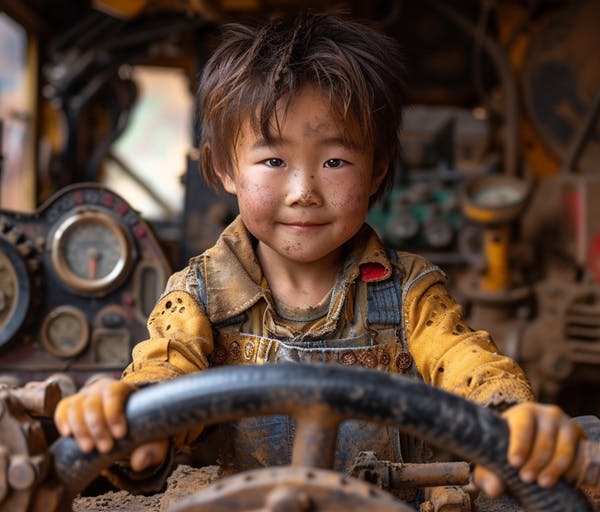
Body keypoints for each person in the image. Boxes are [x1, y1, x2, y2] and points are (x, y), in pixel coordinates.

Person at [55, 10, 583, 500]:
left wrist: (510, 418)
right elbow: (162, 376)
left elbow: (467, 363)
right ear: (222, 168)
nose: (304, 189)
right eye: (273, 159)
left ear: (378, 171)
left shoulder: (410, 293)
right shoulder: (196, 300)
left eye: (334, 160)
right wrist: (125, 417)